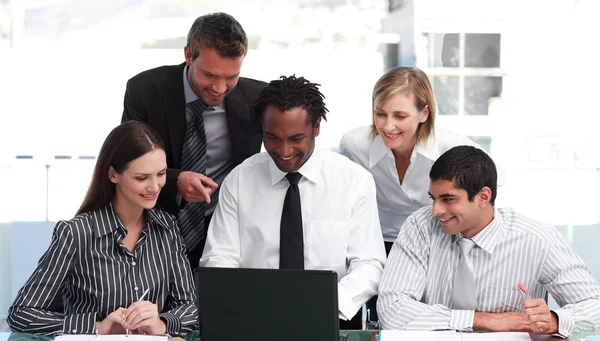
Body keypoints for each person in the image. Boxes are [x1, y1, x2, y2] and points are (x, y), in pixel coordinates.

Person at [200, 75, 386, 329]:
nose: (284, 150)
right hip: (253, 320)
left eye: (296, 138)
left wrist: (326, 305)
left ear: (317, 127)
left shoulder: (355, 182)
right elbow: (220, 260)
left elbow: (369, 263)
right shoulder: (240, 180)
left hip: (331, 319)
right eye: (272, 137)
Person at [377, 145, 600, 337]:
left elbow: (595, 307)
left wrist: (556, 319)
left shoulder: (537, 240)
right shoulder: (420, 227)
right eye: (433, 198)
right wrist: (482, 319)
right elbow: (391, 310)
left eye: (448, 199)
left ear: (483, 197)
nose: (436, 210)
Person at [7, 122, 198, 336]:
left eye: (161, 174)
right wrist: (97, 327)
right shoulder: (76, 233)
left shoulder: (167, 227)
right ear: (113, 175)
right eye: (141, 178)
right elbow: (21, 314)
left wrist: (161, 323)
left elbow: (190, 308)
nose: (154, 186)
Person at [122, 12, 267, 268]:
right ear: (189, 55)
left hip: (227, 235)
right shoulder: (145, 90)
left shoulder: (258, 97)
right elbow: (128, 161)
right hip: (154, 230)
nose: (220, 88)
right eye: (210, 75)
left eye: (231, 77)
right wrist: (175, 180)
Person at [340, 66, 501, 254]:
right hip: (377, 243)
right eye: (380, 114)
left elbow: (493, 182)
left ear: (424, 113)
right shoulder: (354, 144)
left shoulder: (451, 146)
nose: (388, 126)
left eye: (400, 116)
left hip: (438, 243)